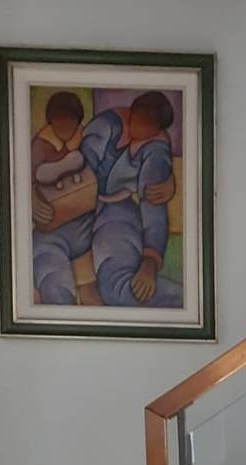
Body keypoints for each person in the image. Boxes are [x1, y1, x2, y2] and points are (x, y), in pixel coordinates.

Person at [79, 90, 177, 307]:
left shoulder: (156, 149)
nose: (138, 127)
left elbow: (153, 205)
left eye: (147, 125)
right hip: (73, 207)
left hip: (115, 210)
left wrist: (150, 259)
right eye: (137, 119)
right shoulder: (106, 125)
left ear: (157, 129)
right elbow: (80, 167)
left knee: (118, 288)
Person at [31, 91, 97, 305]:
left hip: (87, 222)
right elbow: (20, 179)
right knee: (52, 275)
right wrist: (31, 201)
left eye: (70, 121)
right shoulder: (40, 145)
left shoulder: (87, 138)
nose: (65, 127)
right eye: (60, 121)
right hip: (52, 229)